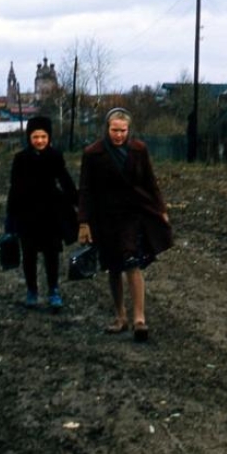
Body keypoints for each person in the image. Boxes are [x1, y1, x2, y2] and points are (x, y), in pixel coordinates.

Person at [78, 107, 173, 341]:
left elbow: (150, 181)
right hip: (105, 217)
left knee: (132, 262)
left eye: (123, 130)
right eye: (114, 130)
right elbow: (86, 189)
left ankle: (139, 319)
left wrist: (161, 209)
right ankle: (120, 317)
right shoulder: (93, 153)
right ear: (107, 129)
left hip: (132, 214)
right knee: (113, 266)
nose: (118, 135)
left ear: (129, 130)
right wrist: (84, 223)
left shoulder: (139, 149)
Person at [5, 116, 78, 310]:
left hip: (50, 214)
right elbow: (14, 189)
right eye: (35, 136)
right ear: (29, 137)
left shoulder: (55, 156)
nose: (39, 141)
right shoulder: (20, 159)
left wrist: (78, 202)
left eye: (43, 136)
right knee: (28, 254)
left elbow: (65, 180)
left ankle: (53, 290)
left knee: (51, 254)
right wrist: (10, 219)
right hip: (27, 214)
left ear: (49, 137)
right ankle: (32, 291)